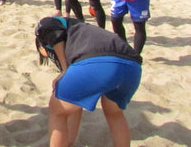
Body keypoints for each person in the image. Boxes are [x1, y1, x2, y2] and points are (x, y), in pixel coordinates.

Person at [35, 16, 142, 147]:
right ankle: (69, 142)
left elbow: (54, 34)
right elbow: (76, 106)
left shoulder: (45, 25)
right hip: (132, 66)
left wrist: (64, 70)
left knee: (57, 110)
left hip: (97, 61)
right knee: (115, 114)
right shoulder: (83, 32)